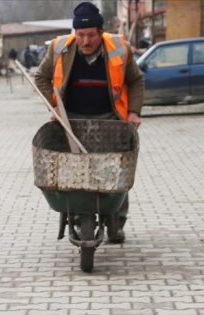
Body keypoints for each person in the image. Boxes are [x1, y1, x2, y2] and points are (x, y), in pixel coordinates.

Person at [34, 2, 144, 243]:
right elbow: (41, 77)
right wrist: (53, 106)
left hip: (109, 119)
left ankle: (117, 219)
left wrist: (134, 113)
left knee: (118, 169)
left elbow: (136, 81)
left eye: (91, 35)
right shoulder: (59, 47)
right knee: (71, 169)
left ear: (101, 32)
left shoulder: (120, 48)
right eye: (80, 35)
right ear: (75, 34)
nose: (85, 41)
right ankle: (73, 210)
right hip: (71, 120)